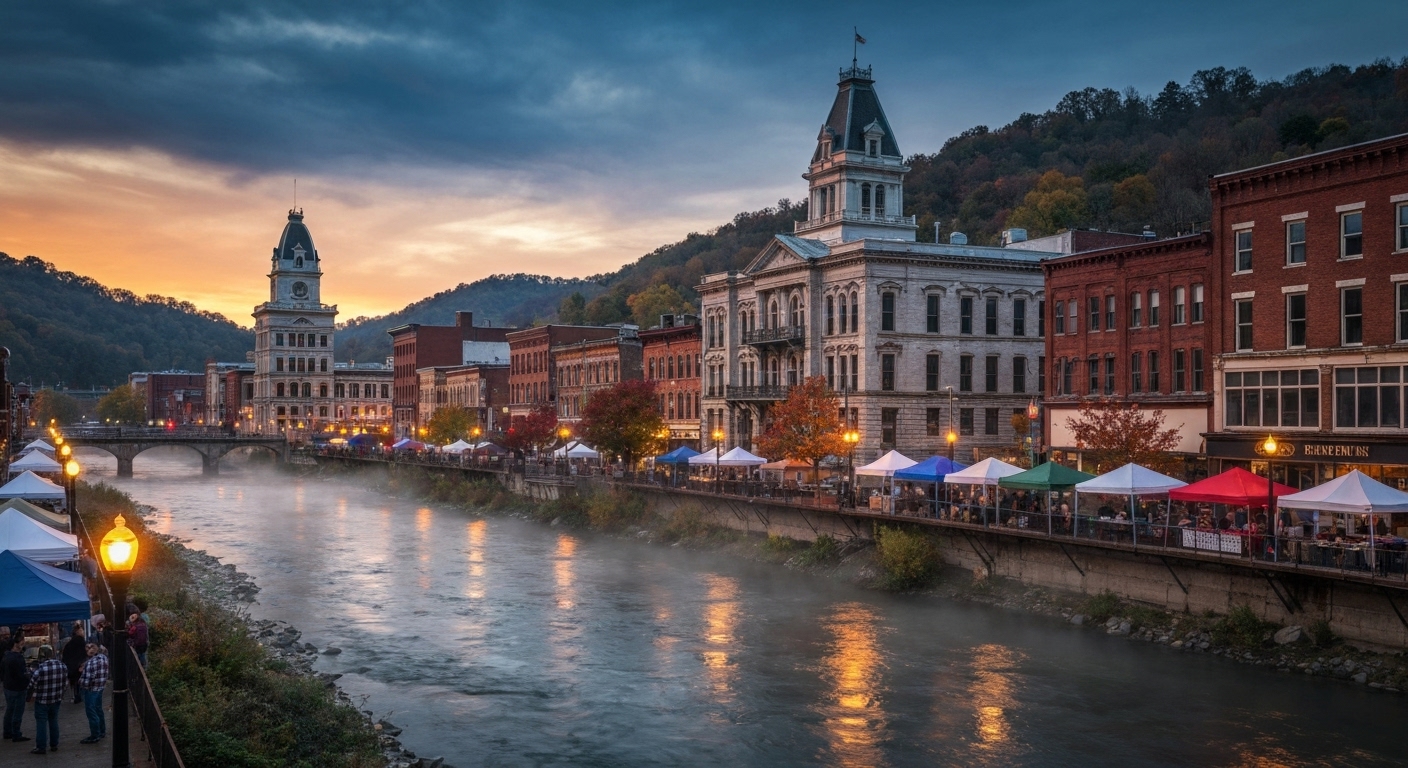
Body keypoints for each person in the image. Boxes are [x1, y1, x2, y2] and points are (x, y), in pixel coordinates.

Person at [26, 645, 67, 754]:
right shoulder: (62, 666)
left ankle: (41, 747)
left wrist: (29, 696)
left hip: (42, 700)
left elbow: (31, 685)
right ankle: (54, 744)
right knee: (53, 721)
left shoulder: (40, 669)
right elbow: (65, 683)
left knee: (41, 723)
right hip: (56, 699)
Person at [78, 642, 108, 743]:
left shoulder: (90, 663)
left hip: (91, 690)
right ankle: (102, 731)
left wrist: (80, 681)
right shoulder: (103, 658)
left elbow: (86, 682)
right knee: (98, 709)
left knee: (91, 711)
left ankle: (95, 735)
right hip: (100, 687)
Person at [2, 634, 29, 743]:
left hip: (8, 687)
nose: (23, 644)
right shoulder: (17, 658)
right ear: (16, 644)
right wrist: (27, 680)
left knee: (9, 710)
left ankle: (7, 731)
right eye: (22, 642)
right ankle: (16, 733)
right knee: (17, 711)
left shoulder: (6, 656)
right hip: (17, 688)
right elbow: (21, 675)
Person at [62, 622, 87, 704]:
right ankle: (79, 697)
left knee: (74, 683)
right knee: (79, 682)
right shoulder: (81, 642)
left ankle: (76, 696)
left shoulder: (69, 644)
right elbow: (83, 654)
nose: (83, 632)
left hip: (70, 667)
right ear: (77, 632)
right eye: (81, 630)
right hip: (79, 666)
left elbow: (65, 656)